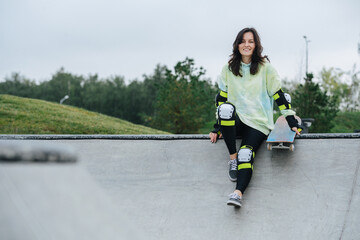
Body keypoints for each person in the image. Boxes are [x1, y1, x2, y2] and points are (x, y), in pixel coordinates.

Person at [209, 27, 302, 207]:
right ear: (237, 45)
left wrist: (291, 120)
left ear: (256, 45)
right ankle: (232, 159)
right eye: (243, 41)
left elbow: (278, 94)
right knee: (226, 109)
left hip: (258, 123)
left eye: (250, 41)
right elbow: (221, 98)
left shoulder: (266, 68)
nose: (246, 45)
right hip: (237, 119)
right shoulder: (228, 69)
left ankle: (237, 193)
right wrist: (217, 127)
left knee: (247, 153)